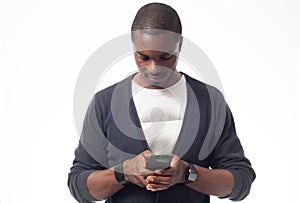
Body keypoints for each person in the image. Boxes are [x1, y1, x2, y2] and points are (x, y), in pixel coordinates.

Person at [68, 2, 256, 203]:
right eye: (143, 57)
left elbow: (240, 181)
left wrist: (187, 173)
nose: (154, 68)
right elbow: (79, 185)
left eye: (166, 57)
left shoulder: (209, 101)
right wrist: (124, 172)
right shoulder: (104, 103)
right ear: (133, 45)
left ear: (180, 45)